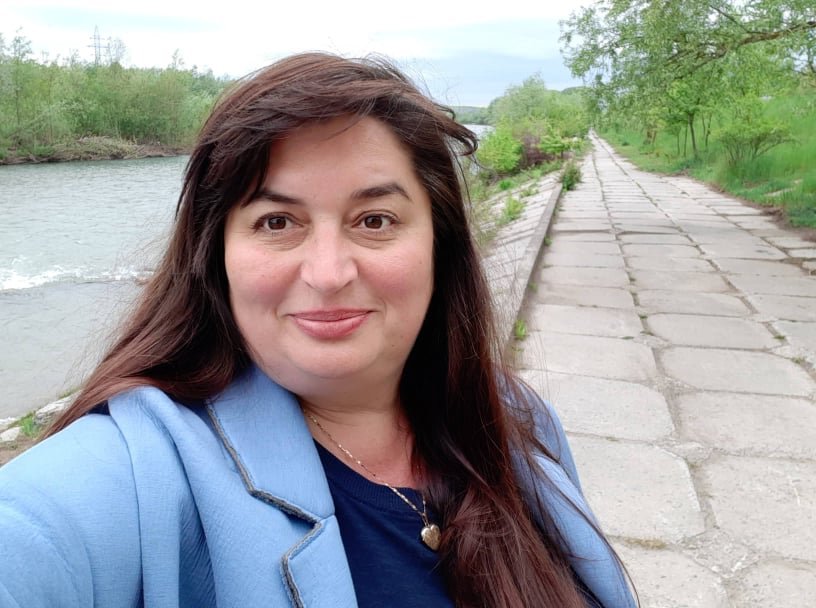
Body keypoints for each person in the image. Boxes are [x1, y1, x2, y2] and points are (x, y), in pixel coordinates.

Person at [0, 53, 636, 608]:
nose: (329, 274)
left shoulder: (519, 420)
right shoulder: (134, 477)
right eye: (277, 223)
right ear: (215, 256)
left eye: (375, 220)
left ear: (439, 244)